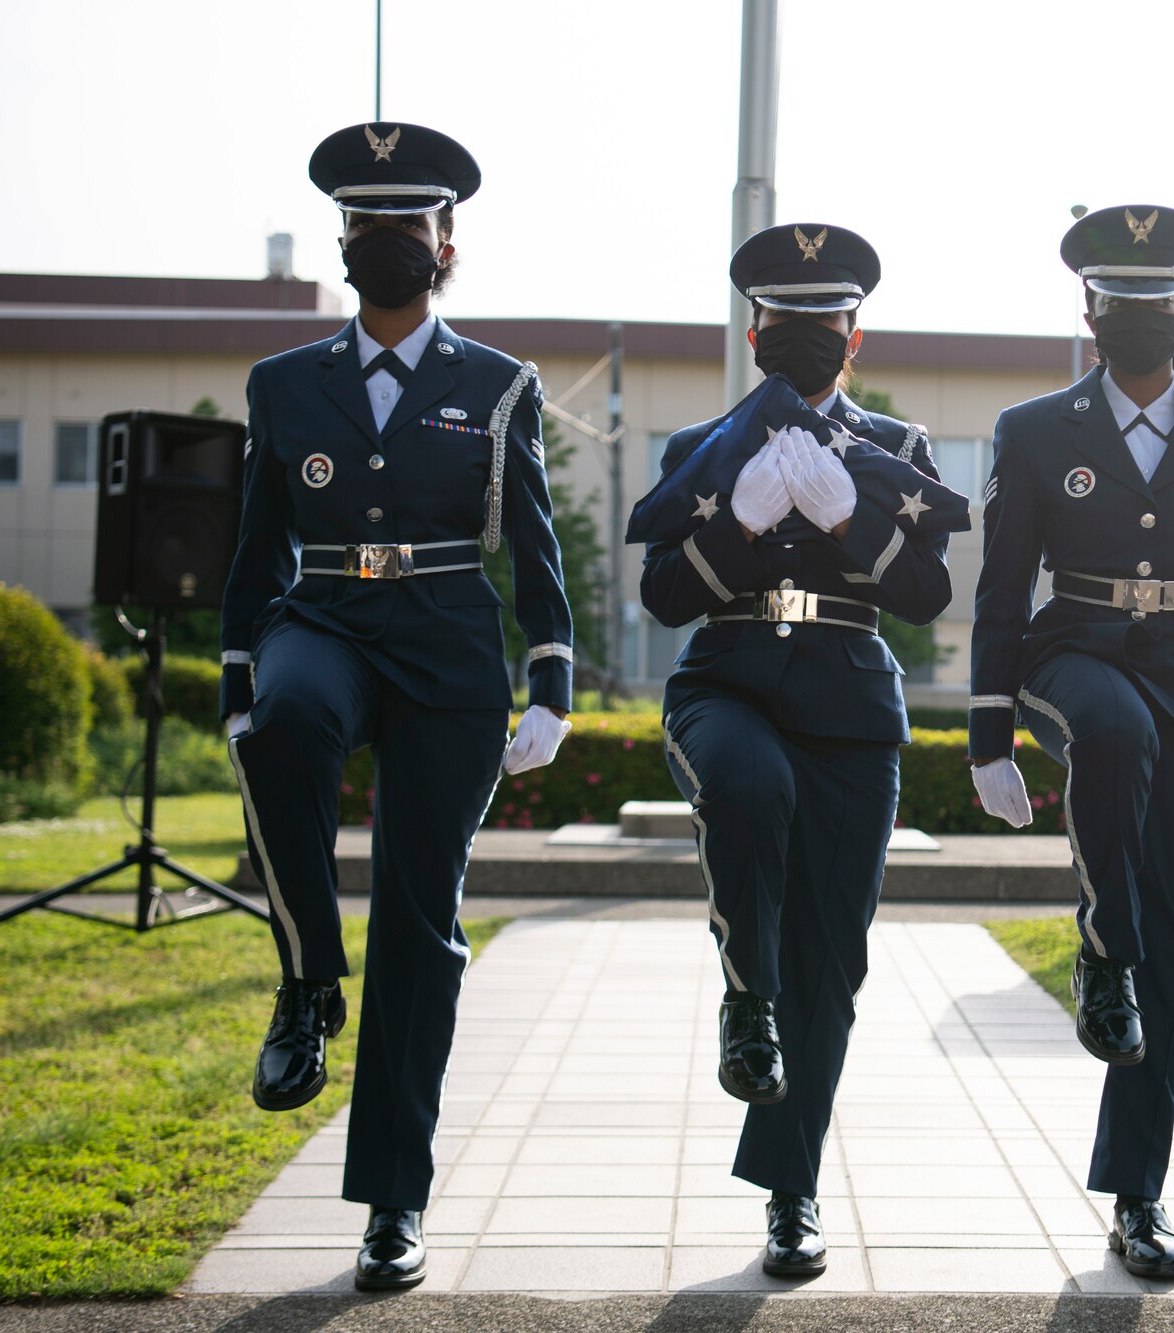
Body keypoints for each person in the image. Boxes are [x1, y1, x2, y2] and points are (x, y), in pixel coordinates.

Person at [217, 121, 575, 1291]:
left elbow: (532, 541)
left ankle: (391, 1204)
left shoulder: (497, 384)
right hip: (320, 618)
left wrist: (552, 678)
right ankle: (308, 977)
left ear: (446, 242)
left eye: (408, 226)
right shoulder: (282, 384)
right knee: (284, 724)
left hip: (446, 646)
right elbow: (255, 545)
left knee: (421, 927)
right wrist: (236, 670)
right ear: (345, 240)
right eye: (368, 226)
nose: (389, 243)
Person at [966, 205, 1174, 1281]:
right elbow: (1002, 589)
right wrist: (987, 735)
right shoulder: (1032, 429)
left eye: (1159, 301)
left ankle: (1138, 1195)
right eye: (1121, 300)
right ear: (1090, 310)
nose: (1140, 316)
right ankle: (1100, 942)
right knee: (1109, 727)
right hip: (1076, 656)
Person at [636, 223, 956, 1276]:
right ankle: (745, 992)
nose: (807, 334)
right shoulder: (702, 448)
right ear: (753, 329)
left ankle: (790, 1190)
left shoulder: (897, 453)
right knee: (744, 782)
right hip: (726, 683)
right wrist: (738, 520)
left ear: (852, 335)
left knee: (835, 961)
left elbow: (922, 596)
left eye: (826, 320)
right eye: (787, 318)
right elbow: (665, 594)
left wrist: (852, 520)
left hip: (850, 705)